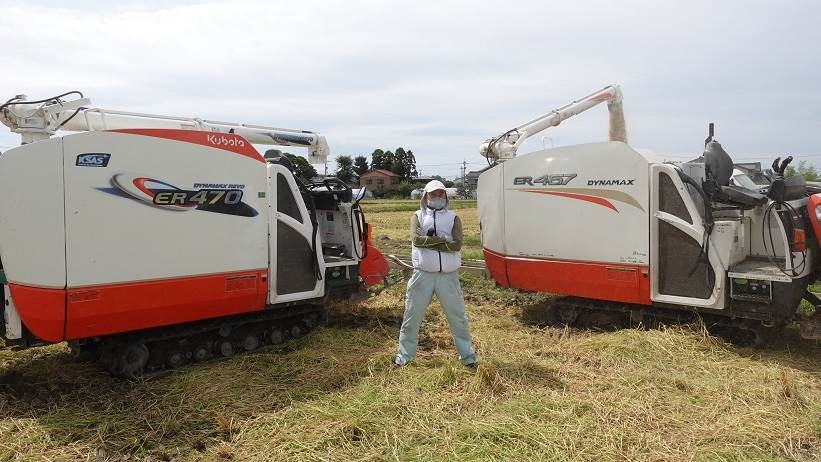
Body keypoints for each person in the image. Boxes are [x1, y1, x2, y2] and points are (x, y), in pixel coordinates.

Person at [394, 180, 477, 369]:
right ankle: (404, 356)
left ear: (446, 196)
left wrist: (430, 240)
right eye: (434, 194)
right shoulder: (417, 216)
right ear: (426, 196)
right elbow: (416, 240)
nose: (438, 197)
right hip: (422, 275)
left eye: (441, 194)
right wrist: (442, 241)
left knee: (458, 317)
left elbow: (457, 245)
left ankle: (467, 357)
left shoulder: (454, 218)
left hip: (448, 276)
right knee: (412, 315)